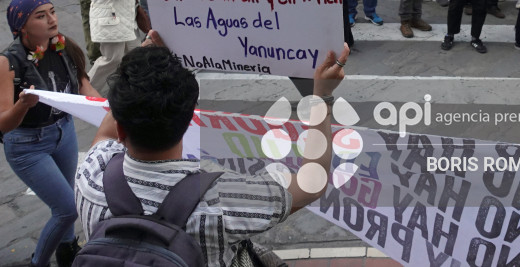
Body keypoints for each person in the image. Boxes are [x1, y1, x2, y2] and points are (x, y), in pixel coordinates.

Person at [76, 41, 350, 267]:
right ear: (189, 119)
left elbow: (107, 133)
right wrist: (321, 97)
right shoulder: (219, 200)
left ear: (122, 126)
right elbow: (311, 183)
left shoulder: (92, 175)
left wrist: (139, 69)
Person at [0, 0, 102, 267]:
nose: (52, 19)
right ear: (21, 26)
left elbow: (85, 88)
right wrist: (22, 106)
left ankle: (67, 250)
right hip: (27, 145)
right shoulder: (8, 62)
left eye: (53, 11)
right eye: (41, 15)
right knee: (67, 209)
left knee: (68, 196)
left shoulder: (63, 46)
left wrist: (109, 110)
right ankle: (38, 262)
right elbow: (3, 123)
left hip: (63, 132)